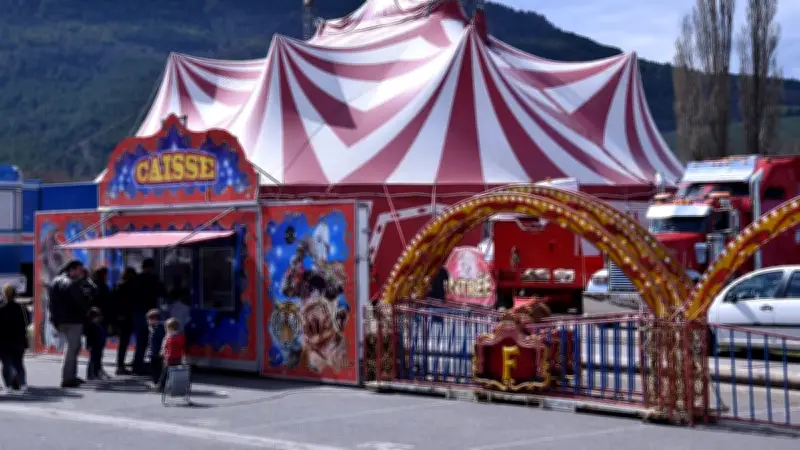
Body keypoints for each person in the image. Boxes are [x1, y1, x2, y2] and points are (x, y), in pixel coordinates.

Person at [49, 259, 92, 388]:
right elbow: (80, 302)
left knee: (74, 347)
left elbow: (52, 303)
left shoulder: (56, 281)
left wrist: (54, 319)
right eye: (79, 269)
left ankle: (71, 375)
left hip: (62, 319)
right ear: (72, 269)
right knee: (72, 348)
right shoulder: (72, 283)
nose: (81, 272)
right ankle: (68, 377)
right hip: (73, 320)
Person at [133, 258, 166, 374]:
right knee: (151, 339)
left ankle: (137, 365)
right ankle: (151, 365)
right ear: (151, 267)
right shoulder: (154, 279)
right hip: (150, 312)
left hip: (138, 312)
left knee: (140, 340)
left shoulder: (136, 279)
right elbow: (163, 292)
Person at [0, 284, 29, 393]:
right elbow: (26, 323)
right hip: (18, 339)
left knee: (6, 364)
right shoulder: (21, 308)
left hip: (3, 341)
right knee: (18, 363)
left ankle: (8, 386)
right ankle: (23, 384)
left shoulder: (1, 308)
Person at [113, 267, 137, 375]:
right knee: (124, 342)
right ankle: (120, 365)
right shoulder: (131, 287)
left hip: (120, 317)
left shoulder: (119, 286)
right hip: (127, 317)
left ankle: (120, 364)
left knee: (123, 342)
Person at [156, 317, 186, 393]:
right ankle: (174, 386)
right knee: (175, 373)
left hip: (169, 358)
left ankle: (161, 386)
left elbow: (165, 347)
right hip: (178, 357)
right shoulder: (180, 337)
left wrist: (162, 353)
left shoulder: (169, 337)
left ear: (170, 328)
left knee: (165, 373)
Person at [84, 307, 108, 380]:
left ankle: (97, 373)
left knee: (97, 359)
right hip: (94, 345)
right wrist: (89, 345)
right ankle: (91, 374)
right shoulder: (91, 326)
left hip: (99, 345)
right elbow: (89, 337)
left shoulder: (99, 326)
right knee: (93, 360)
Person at [145, 309, 166, 390]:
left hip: (156, 353)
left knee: (156, 369)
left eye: (149, 320)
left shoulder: (157, 329)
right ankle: (158, 383)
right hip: (154, 352)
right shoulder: (154, 328)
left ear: (154, 319)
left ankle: (158, 383)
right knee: (156, 369)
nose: (148, 322)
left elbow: (156, 342)